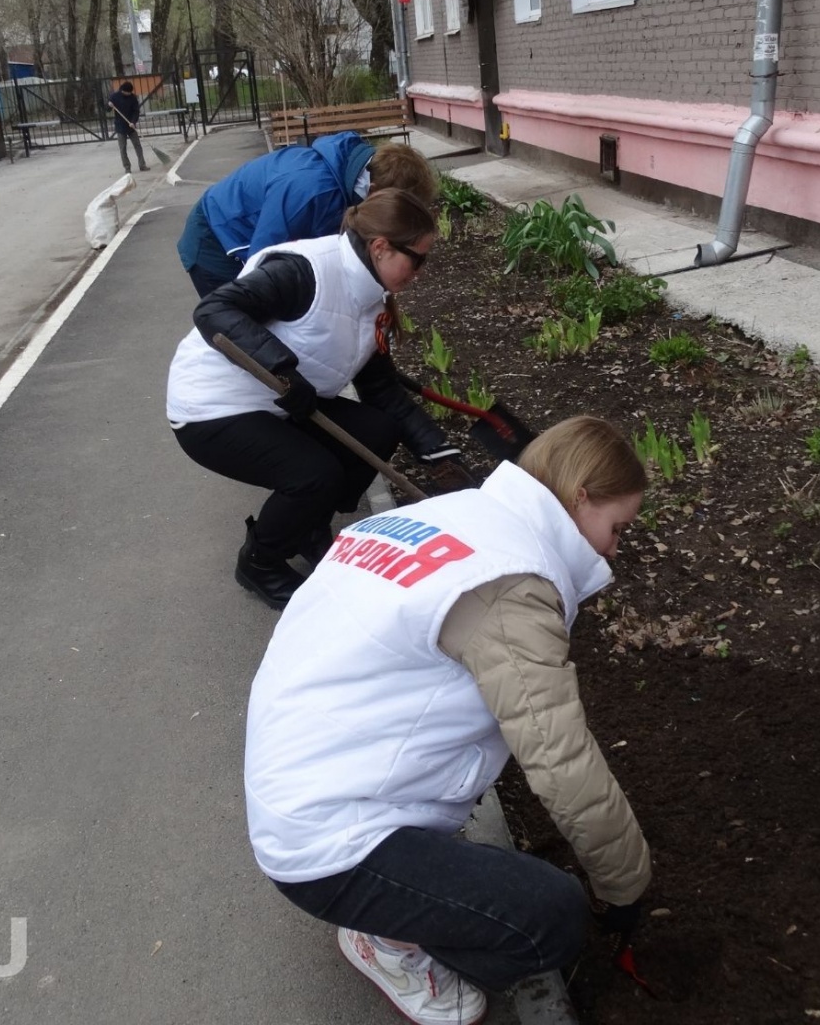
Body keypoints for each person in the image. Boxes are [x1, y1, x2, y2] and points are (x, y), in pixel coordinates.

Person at [243, 416, 652, 1025]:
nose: (613, 550)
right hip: (330, 841)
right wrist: (627, 890)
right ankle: (386, 941)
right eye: (616, 528)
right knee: (552, 922)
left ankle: (400, 895)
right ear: (580, 497)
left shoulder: (454, 517)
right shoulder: (510, 585)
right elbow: (562, 764)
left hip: (301, 780)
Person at [165, 188, 463, 608]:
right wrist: (281, 369)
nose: (421, 271)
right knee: (313, 474)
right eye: (418, 258)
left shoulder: (372, 296)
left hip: (279, 400)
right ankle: (260, 562)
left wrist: (438, 453)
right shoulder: (305, 272)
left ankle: (307, 526)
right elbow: (215, 310)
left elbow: (380, 390)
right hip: (212, 407)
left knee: (379, 430)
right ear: (380, 247)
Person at [176, 132, 437, 296]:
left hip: (244, 231)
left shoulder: (353, 172)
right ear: (375, 190)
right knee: (248, 330)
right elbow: (260, 263)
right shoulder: (310, 193)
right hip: (215, 242)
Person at [108, 80, 146, 171]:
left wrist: (133, 122)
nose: (129, 94)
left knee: (137, 145)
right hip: (120, 126)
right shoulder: (114, 97)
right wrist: (109, 105)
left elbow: (136, 111)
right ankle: (127, 167)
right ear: (123, 90)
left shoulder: (133, 98)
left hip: (131, 126)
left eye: (130, 92)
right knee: (123, 148)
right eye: (128, 92)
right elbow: (107, 109)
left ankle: (142, 165)